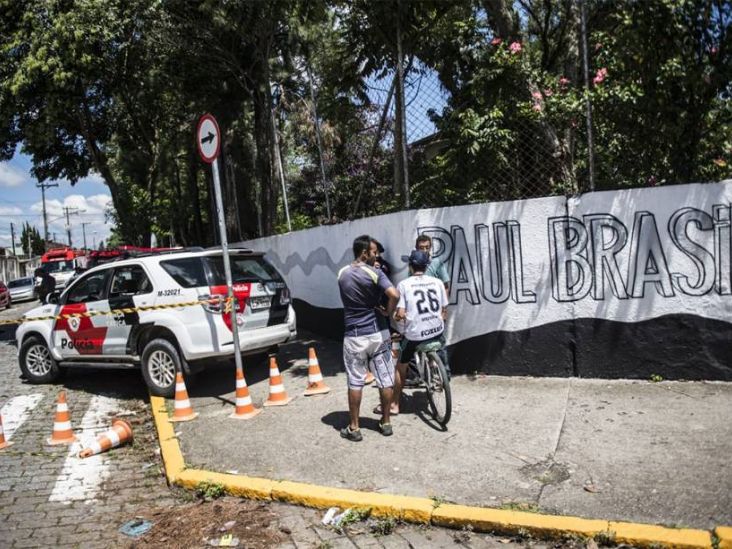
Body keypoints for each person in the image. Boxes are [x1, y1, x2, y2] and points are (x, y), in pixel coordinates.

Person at [337, 235, 399, 441]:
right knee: (385, 379)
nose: (377, 256)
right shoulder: (375, 272)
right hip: (378, 333)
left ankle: (354, 428)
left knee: (355, 381)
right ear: (364, 253)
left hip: (354, 335)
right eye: (374, 252)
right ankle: (386, 422)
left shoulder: (342, 274)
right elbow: (394, 295)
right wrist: (387, 313)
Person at [390, 250, 448, 415]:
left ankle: (394, 404)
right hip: (437, 330)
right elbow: (444, 309)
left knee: (400, 366)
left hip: (416, 335)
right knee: (434, 341)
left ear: (410, 266)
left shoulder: (404, 284)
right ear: (427, 265)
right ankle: (435, 370)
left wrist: (395, 316)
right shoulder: (437, 282)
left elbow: (400, 314)